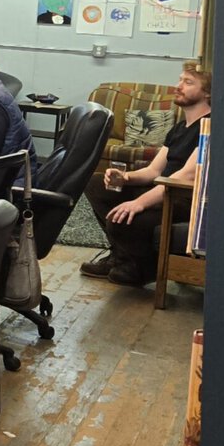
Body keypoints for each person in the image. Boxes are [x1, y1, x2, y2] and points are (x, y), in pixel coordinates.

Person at [81, 63, 213, 287]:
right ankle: (122, 257)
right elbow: (153, 171)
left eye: (188, 83)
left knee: (122, 219)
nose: (178, 86)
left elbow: (185, 177)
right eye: (180, 80)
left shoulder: (209, 127)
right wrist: (125, 177)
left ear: (208, 92)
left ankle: (142, 267)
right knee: (95, 185)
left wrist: (139, 203)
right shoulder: (181, 127)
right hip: (162, 190)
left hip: (181, 198)